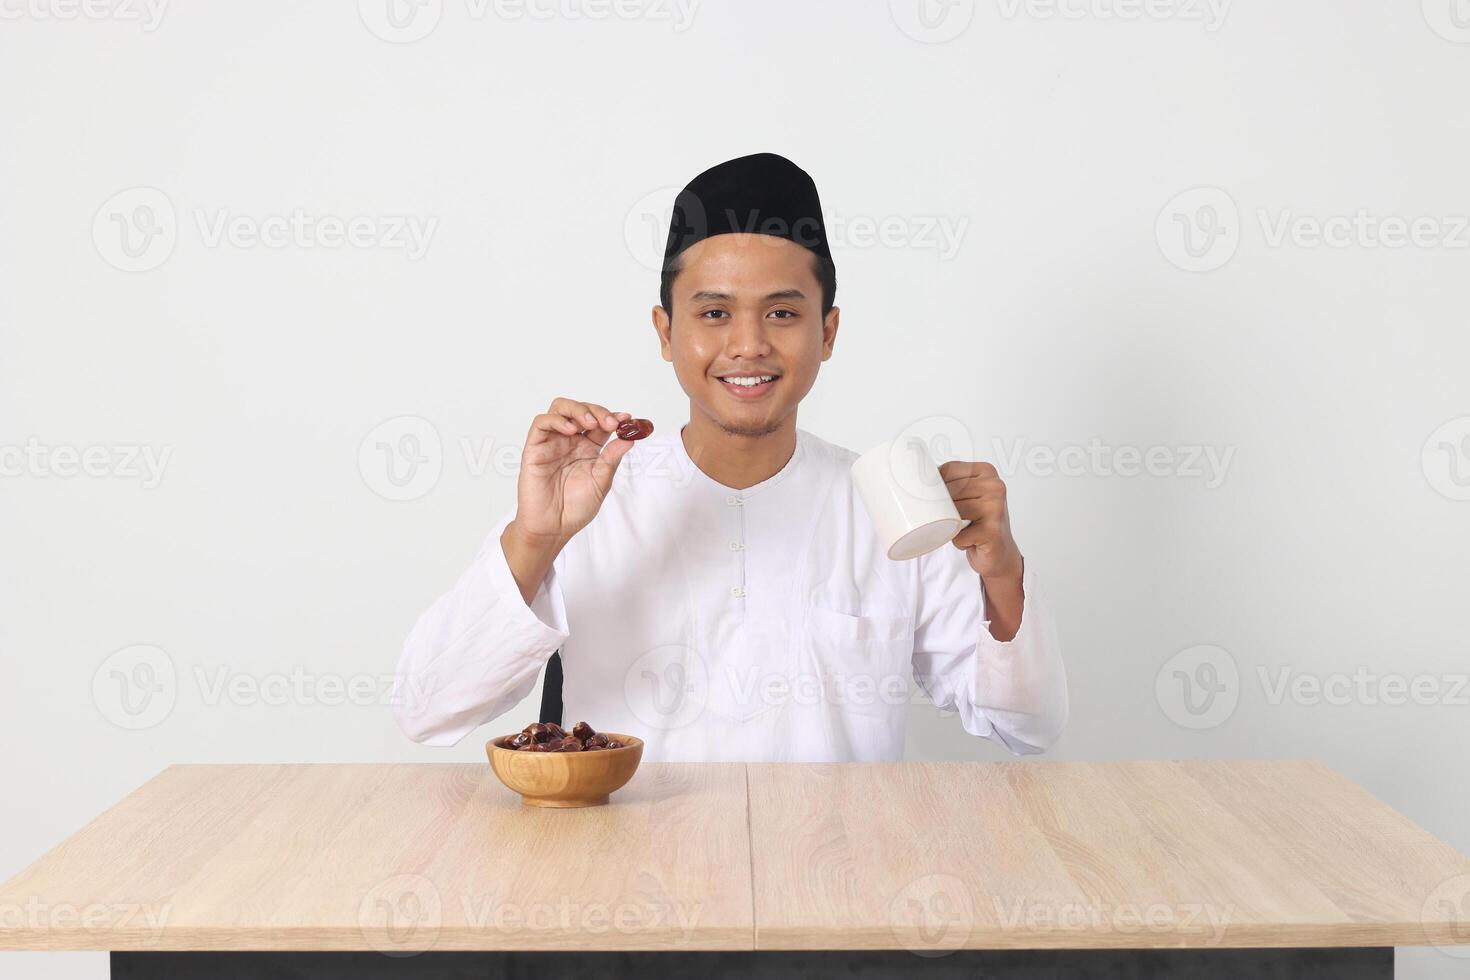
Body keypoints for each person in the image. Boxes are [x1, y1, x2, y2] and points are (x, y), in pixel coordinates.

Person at [392, 152, 1067, 762]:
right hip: (626, 885)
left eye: (781, 313)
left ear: (827, 331)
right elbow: (426, 709)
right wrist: (535, 539)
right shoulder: (591, 502)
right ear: (666, 331)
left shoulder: (887, 505)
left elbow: (1029, 728)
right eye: (714, 314)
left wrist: (1002, 574)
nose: (747, 345)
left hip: (838, 883)